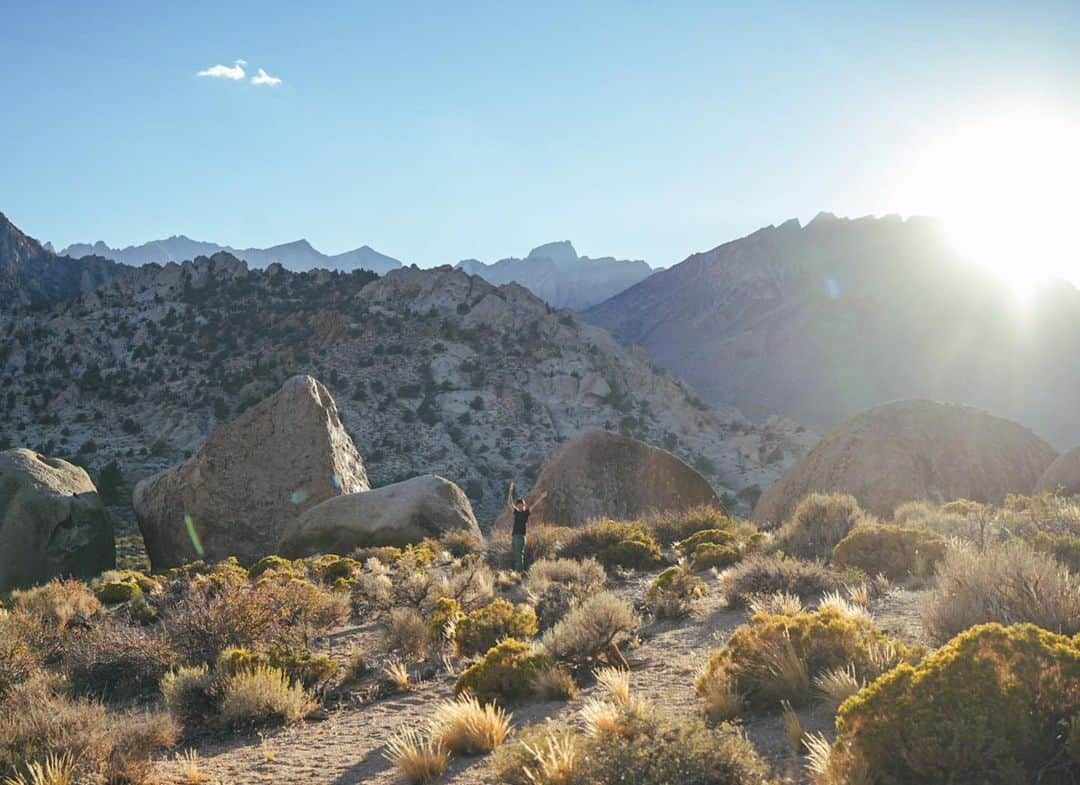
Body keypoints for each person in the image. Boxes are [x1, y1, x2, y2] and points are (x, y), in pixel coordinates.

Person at [508, 482, 547, 573]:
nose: (520, 506)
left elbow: (534, 505)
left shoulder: (525, 513)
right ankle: (518, 572)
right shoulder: (516, 512)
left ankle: (519, 574)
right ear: (517, 506)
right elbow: (509, 503)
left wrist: (541, 497)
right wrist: (510, 491)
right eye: (519, 505)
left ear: (524, 506)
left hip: (521, 537)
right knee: (516, 554)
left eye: (522, 505)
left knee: (519, 555)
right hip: (514, 536)